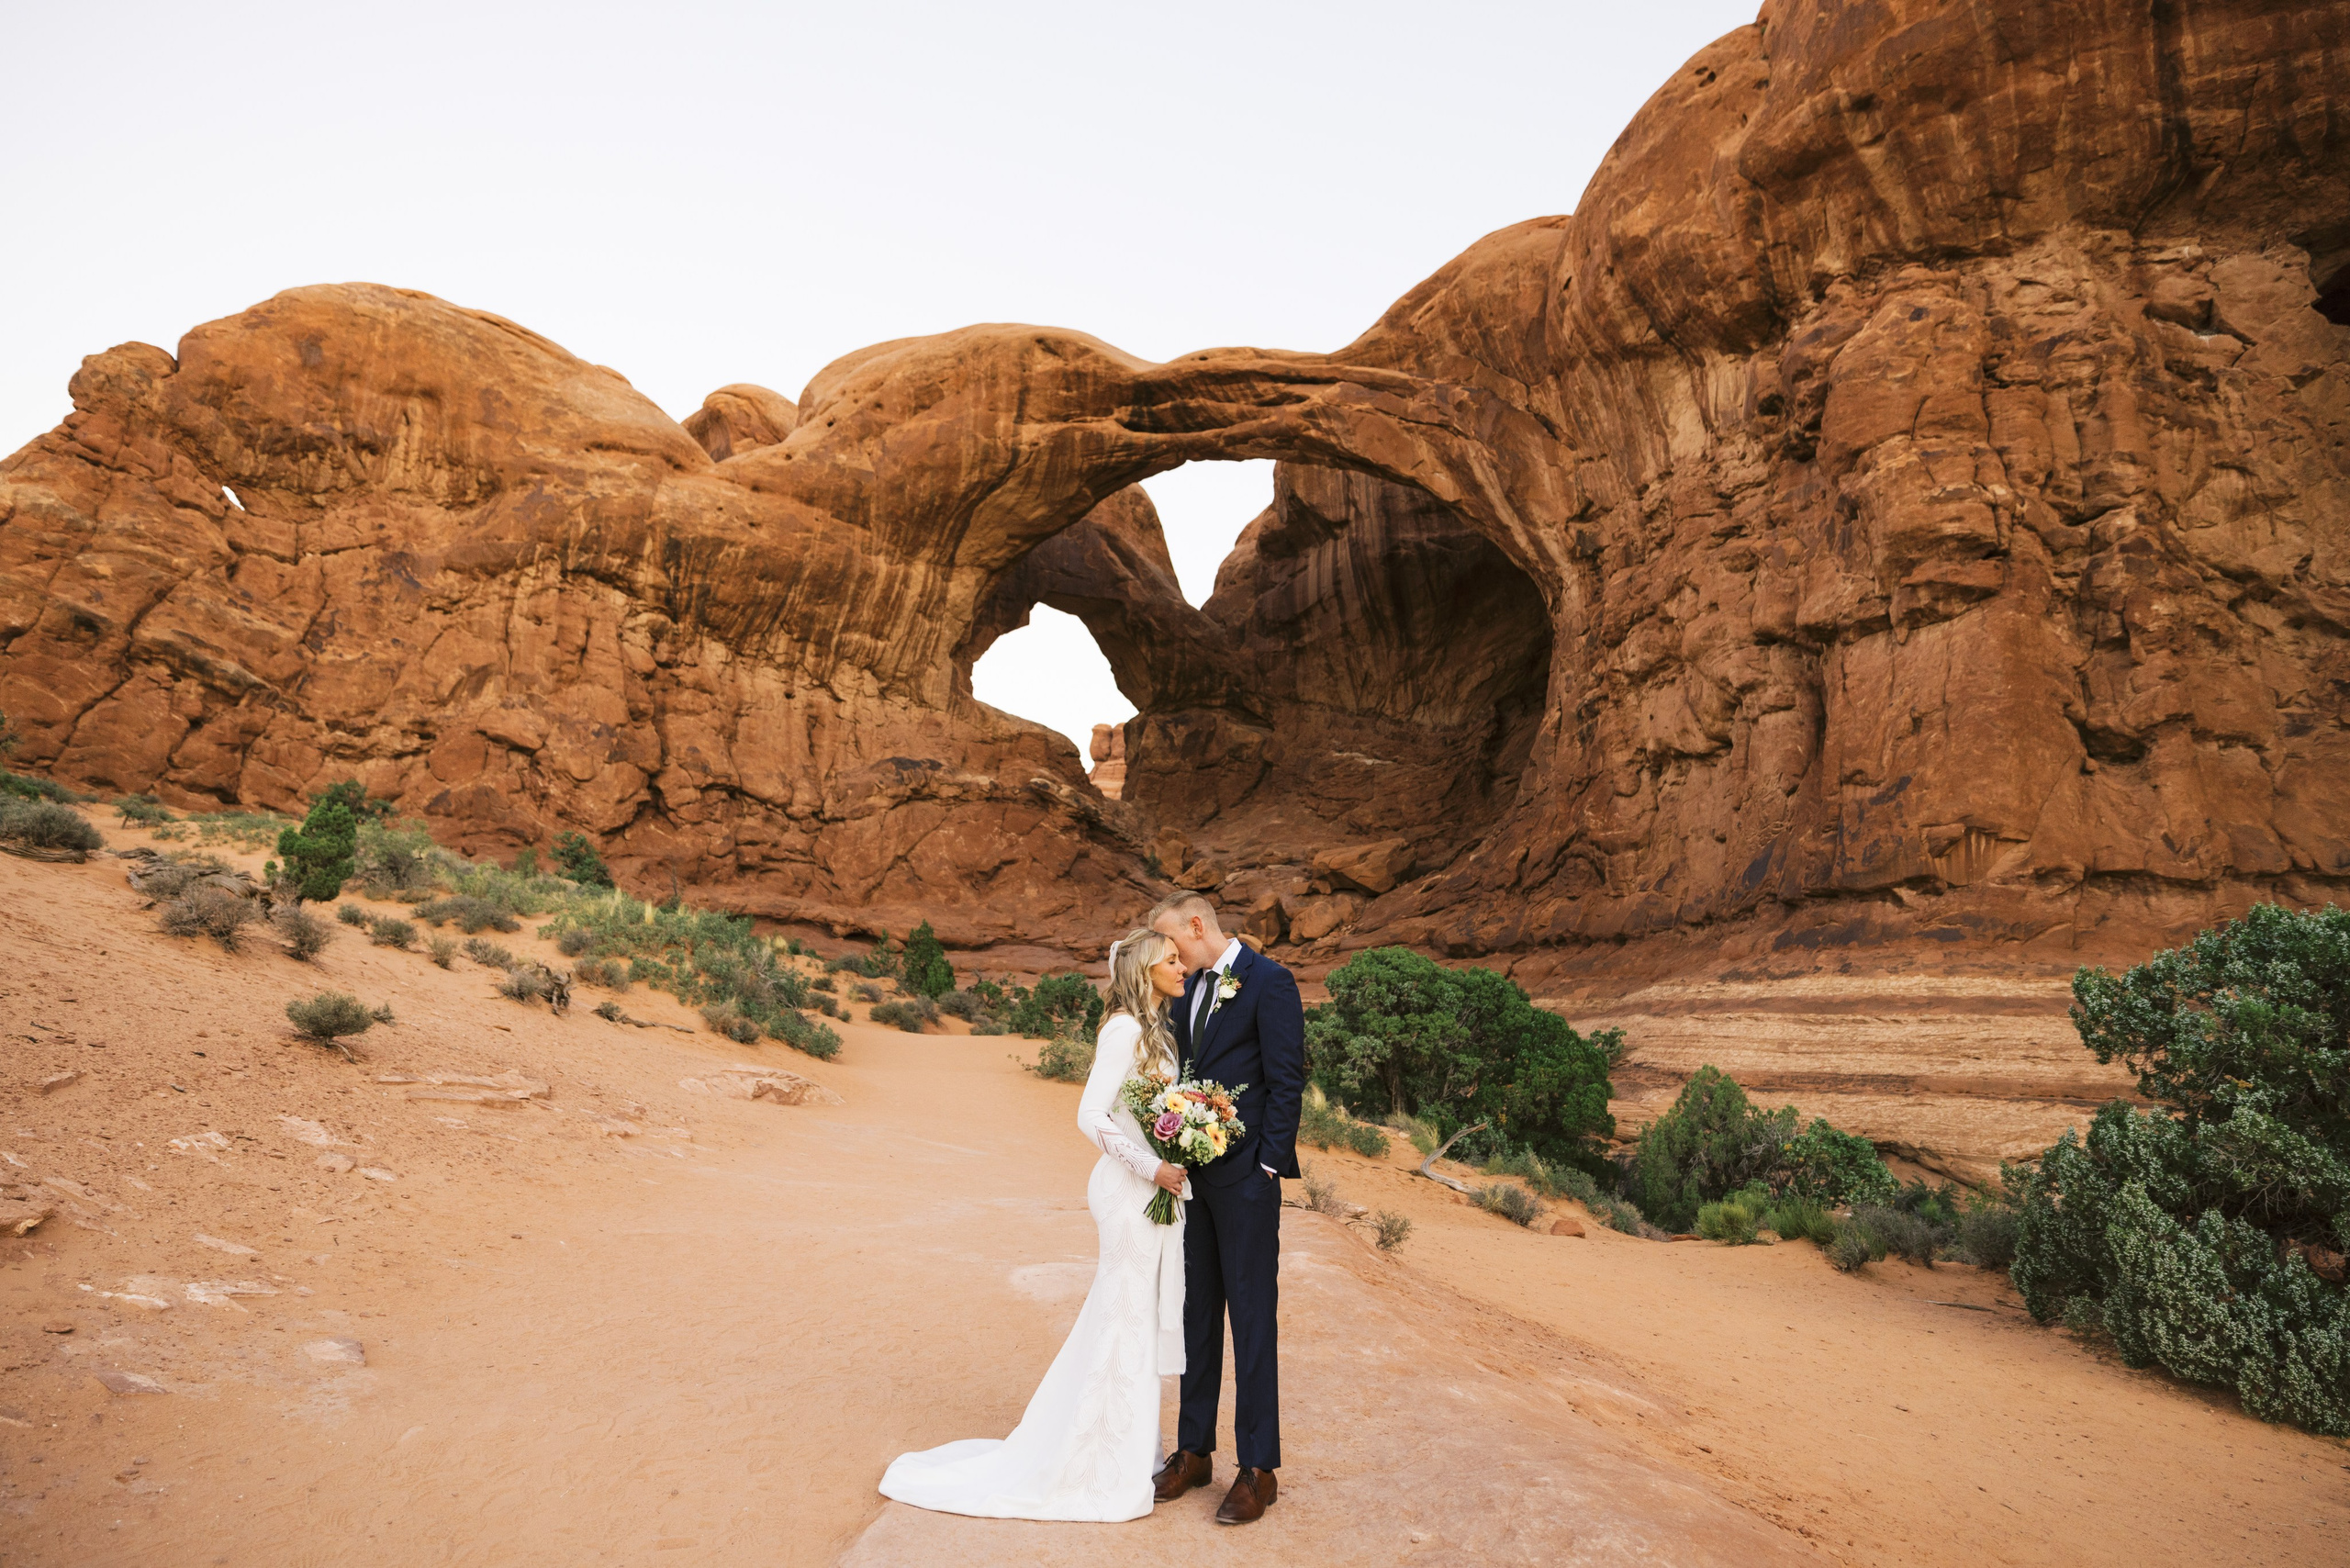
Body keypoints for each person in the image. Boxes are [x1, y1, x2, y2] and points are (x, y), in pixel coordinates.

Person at [876, 929, 1191, 1521]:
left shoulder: (1156, 1030)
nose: (1181, 967)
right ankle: (1099, 1459)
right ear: (1144, 970)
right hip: (1128, 1191)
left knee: (1129, 1316)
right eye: (1170, 960)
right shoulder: (1125, 1029)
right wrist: (1150, 1166)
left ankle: (1128, 1447)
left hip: (1153, 1189)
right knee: (1125, 1316)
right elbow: (1090, 1114)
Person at [1147, 891, 1305, 1526]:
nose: (1169, 954)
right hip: (1193, 1180)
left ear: (1196, 925)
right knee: (1197, 1316)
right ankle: (1194, 1452)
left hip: (1246, 1181)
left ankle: (1259, 1469)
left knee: (1252, 1318)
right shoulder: (1183, 988)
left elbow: (1286, 1079)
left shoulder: (1270, 981)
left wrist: (1267, 1166)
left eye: (1172, 940)